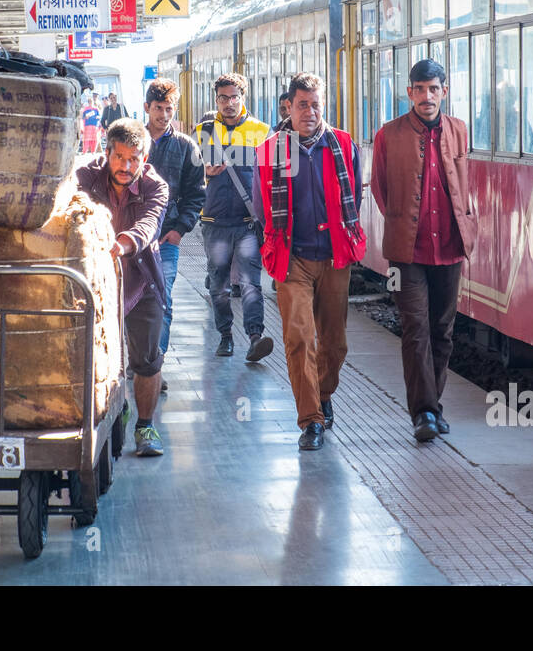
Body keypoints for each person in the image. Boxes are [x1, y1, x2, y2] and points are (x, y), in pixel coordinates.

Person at [255, 72, 365, 451]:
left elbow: (355, 196)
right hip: (293, 258)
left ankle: (323, 393)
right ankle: (311, 420)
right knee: (300, 337)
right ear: (289, 106)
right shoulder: (271, 149)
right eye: (303, 105)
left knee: (335, 344)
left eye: (316, 104)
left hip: (335, 254)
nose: (311, 112)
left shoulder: (343, 144)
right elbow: (261, 206)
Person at [371, 58, 478, 443]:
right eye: (420, 89)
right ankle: (425, 413)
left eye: (434, 89)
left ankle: (434, 404)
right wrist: (403, 223)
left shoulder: (460, 131)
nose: (427, 96)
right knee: (415, 329)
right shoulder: (389, 134)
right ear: (409, 93)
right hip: (405, 253)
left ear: (444, 92)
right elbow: (380, 190)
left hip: (450, 247)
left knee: (443, 331)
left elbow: (465, 183)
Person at [75, 119, 170, 457]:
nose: (126, 166)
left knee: (146, 360)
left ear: (144, 158)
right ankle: (111, 412)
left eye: (134, 159)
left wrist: (123, 243)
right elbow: (70, 207)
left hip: (139, 279)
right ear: (107, 153)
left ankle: (146, 426)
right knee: (94, 356)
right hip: (93, 282)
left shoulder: (155, 186)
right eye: (119, 157)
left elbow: (149, 223)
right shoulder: (86, 175)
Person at [195, 73, 273, 362]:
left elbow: (272, 176)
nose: (229, 103)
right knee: (219, 284)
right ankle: (225, 335)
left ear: (243, 99)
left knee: (252, 282)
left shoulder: (262, 131)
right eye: (223, 98)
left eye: (234, 97)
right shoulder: (203, 130)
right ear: (216, 100)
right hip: (214, 221)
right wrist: (204, 171)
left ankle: (255, 336)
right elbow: (191, 175)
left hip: (247, 222)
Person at [144, 78, 206, 375]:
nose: (164, 115)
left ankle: (155, 364)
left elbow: (197, 192)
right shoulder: (131, 141)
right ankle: (138, 359)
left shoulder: (185, 146)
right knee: (131, 302)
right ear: (147, 108)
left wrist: (181, 229)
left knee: (162, 300)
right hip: (132, 238)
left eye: (169, 109)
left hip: (167, 237)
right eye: (158, 108)